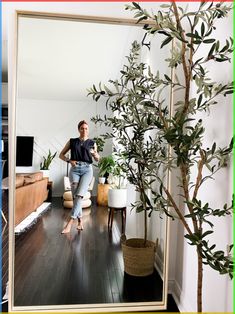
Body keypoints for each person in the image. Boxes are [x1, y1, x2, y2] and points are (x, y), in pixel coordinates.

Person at [59, 120, 100, 233]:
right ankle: (80, 221)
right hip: (74, 171)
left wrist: (95, 154)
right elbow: (61, 155)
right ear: (79, 129)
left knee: (79, 195)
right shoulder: (72, 141)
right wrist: (69, 160)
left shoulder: (92, 143)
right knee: (75, 196)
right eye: (82, 128)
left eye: (86, 128)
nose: (84, 130)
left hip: (87, 170)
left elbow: (97, 158)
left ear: (88, 129)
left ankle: (70, 223)